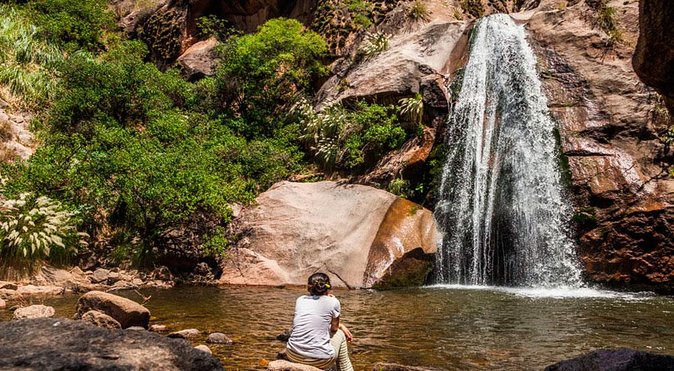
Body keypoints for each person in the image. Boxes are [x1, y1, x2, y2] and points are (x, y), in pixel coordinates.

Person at [285, 272, 354, 371]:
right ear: (328, 288)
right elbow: (334, 328)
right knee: (340, 334)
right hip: (321, 360)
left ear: (308, 288)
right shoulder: (334, 302)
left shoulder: (300, 300)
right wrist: (341, 326)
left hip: (293, 354)